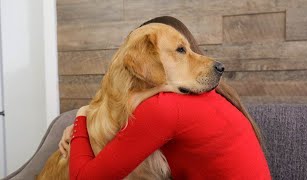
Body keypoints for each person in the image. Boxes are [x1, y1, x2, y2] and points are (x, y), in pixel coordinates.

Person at [59, 16, 271, 179]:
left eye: (184, 49)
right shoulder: (207, 100)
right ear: (149, 63)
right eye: (181, 50)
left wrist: (82, 115)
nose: (205, 61)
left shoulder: (164, 108)